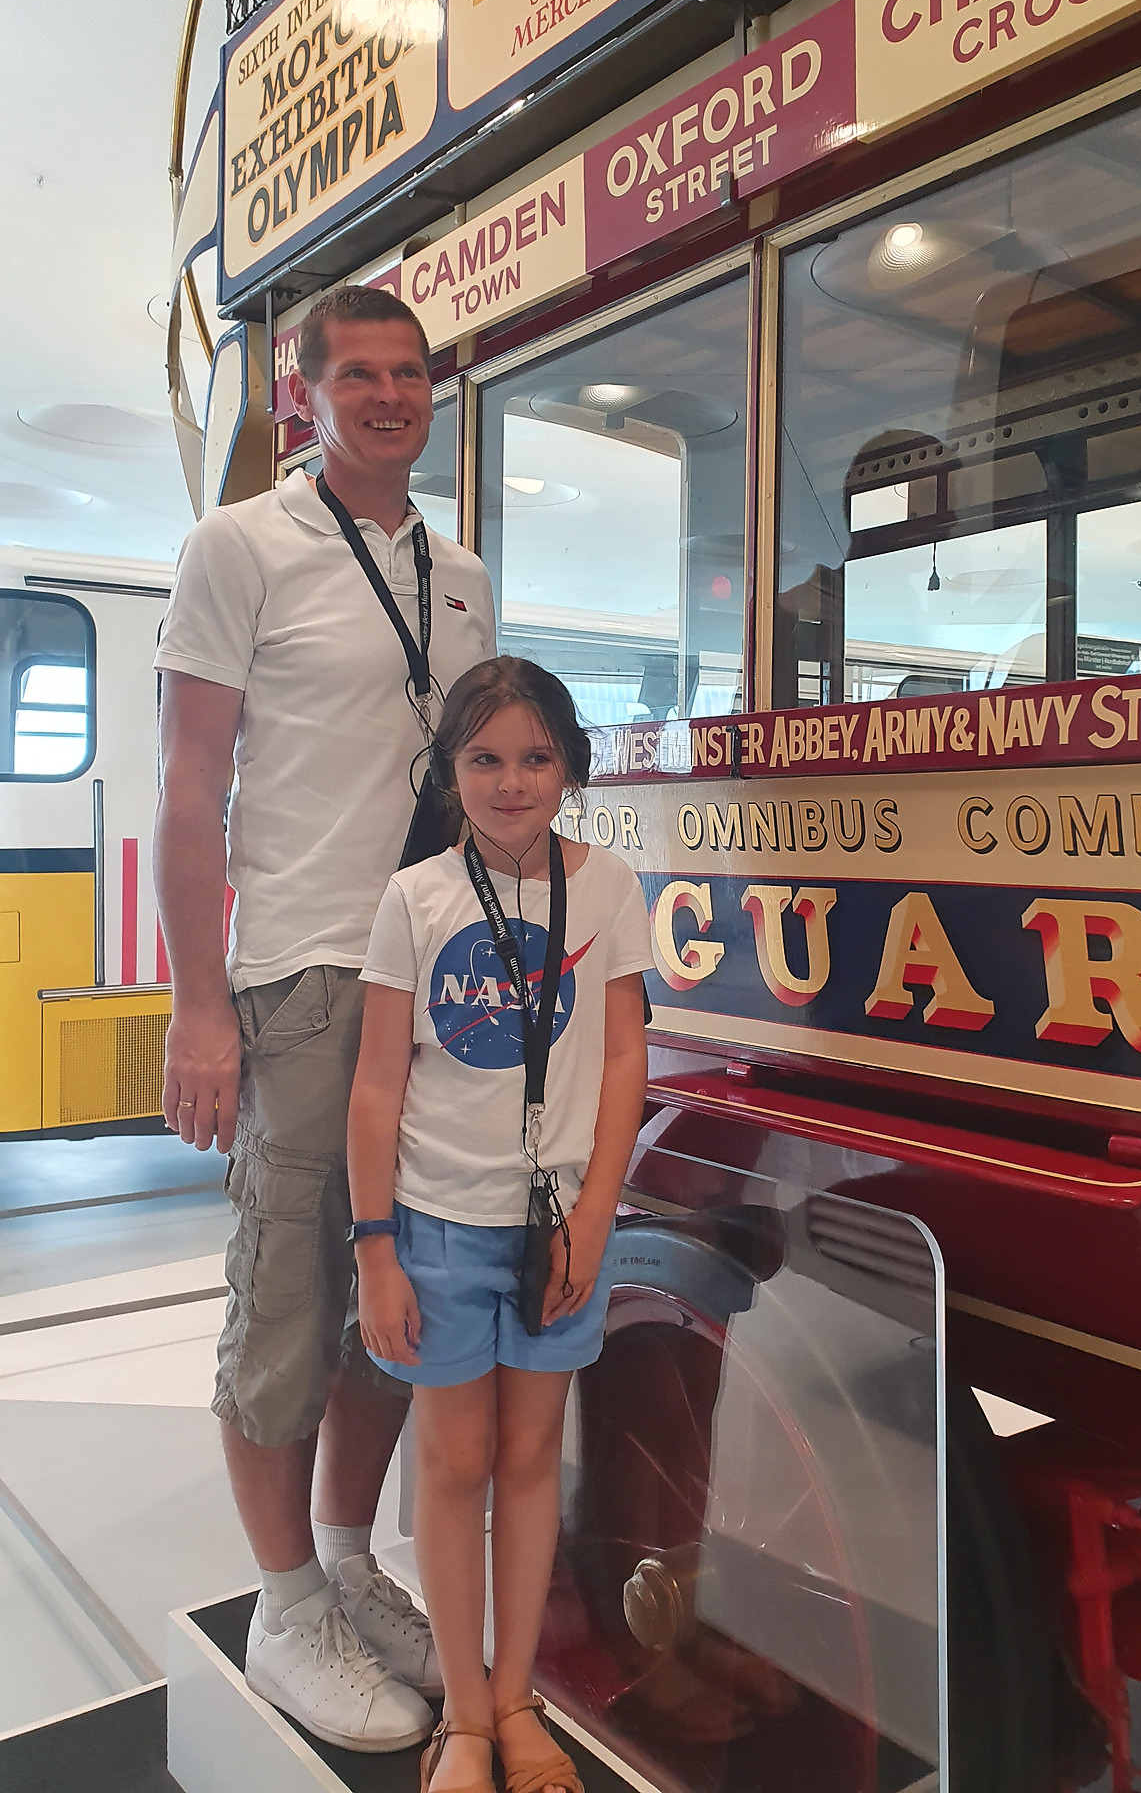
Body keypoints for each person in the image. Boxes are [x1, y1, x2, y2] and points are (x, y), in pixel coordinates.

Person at [154, 284, 496, 1751]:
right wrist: (199, 1002)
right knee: (288, 1295)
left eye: (410, 371)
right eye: (359, 374)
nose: (391, 395)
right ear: (305, 397)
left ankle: (351, 1563)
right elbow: (187, 783)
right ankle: (285, 1601)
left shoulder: (460, 571)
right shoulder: (240, 546)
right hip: (301, 973)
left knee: (393, 1296)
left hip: (437, 979)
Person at [348, 656, 651, 1793]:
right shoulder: (415, 897)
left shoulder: (608, 885)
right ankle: (465, 1718)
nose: (512, 781)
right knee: (455, 1461)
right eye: (485, 759)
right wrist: (376, 1248)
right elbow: (377, 1085)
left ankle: (517, 1700)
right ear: (451, 773)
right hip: (435, 1226)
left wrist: (596, 1210)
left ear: (569, 766)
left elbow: (623, 1058)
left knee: (529, 1461)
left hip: (558, 1228)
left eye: (535, 757)